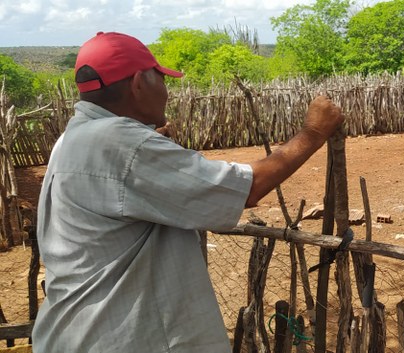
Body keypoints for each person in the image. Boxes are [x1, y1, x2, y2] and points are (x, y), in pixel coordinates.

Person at [32, 31, 344, 353]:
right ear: (139, 83)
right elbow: (247, 188)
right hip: (120, 339)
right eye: (162, 79)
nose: (167, 91)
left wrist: (154, 148)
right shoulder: (124, 145)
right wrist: (314, 132)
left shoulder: (73, 140)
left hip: (76, 334)